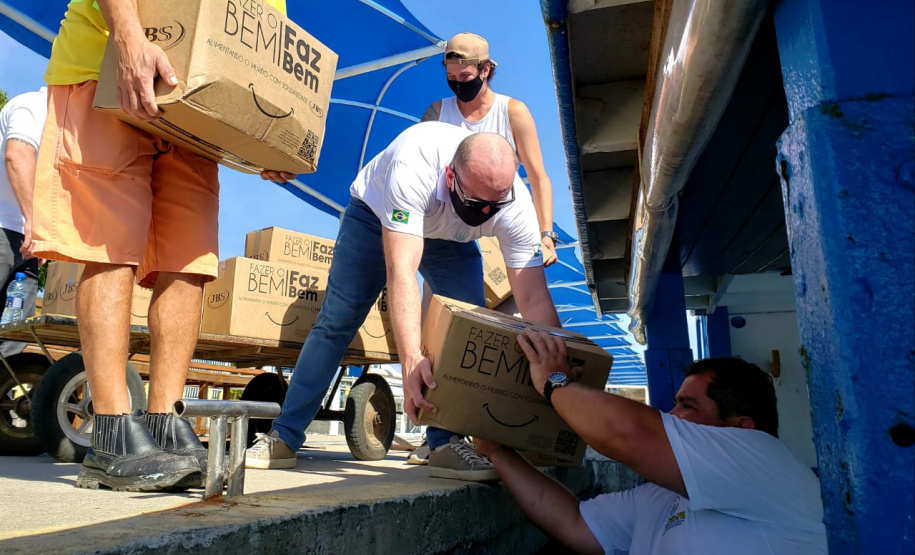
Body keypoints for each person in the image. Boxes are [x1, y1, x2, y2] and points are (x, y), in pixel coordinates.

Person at [25, 0, 295, 492]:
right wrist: (127, 38)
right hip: (105, 67)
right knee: (111, 249)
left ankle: (165, 422)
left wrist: (264, 137)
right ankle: (109, 432)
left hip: (194, 107)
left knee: (188, 260)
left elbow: (254, 46)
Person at [246, 122, 561, 481]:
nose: (487, 213)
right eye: (477, 203)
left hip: (451, 238)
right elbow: (402, 271)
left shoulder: (515, 205)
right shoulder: (412, 167)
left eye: (495, 205)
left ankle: (444, 444)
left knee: (466, 332)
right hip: (375, 213)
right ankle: (284, 436)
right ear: (450, 176)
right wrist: (410, 359)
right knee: (338, 320)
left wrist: (562, 372)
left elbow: (535, 299)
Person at [475, 329, 828, 554]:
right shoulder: (662, 495)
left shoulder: (764, 463)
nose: (670, 414)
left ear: (741, 427)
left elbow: (628, 432)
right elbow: (575, 523)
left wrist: (554, 382)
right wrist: (498, 452)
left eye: (686, 406)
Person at [422, 33, 559, 266]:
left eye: (465, 76)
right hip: (447, 227)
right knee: (448, 298)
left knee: (526, 284)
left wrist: (546, 234)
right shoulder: (437, 112)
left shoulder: (513, 112)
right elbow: (423, 171)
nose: (458, 83)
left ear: (484, 69)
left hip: (497, 218)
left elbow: (538, 178)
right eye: (450, 76)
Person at [0, 88, 46, 357]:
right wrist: (33, 220)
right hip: (4, 228)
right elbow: (16, 155)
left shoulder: (68, 128)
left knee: (14, 336)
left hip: (27, 243)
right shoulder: (34, 105)